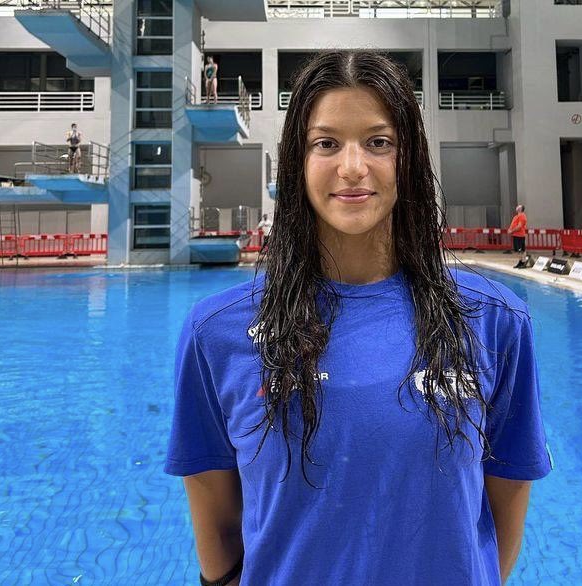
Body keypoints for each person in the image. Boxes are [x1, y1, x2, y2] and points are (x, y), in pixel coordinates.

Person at [165, 51, 551, 586]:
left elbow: (505, 501)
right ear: (297, 162)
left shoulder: (493, 321)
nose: (352, 167)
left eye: (378, 142)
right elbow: (217, 528)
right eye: (326, 143)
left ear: (408, 159)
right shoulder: (217, 332)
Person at [507, 204, 528, 268]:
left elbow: (519, 226)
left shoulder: (522, 216)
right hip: (516, 235)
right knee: (518, 250)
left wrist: (511, 231)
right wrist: (510, 229)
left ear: (520, 209)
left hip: (520, 235)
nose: (517, 207)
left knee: (522, 250)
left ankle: (523, 262)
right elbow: (513, 225)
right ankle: (520, 262)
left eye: (518, 206)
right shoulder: (516, 216)